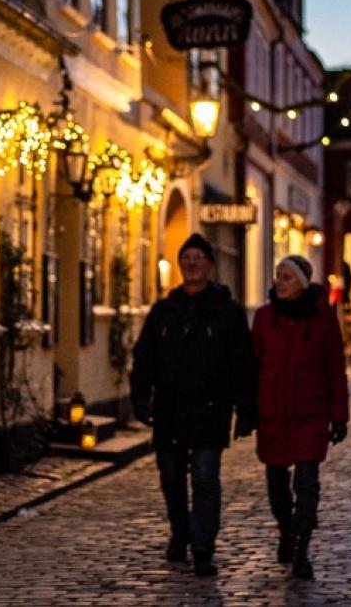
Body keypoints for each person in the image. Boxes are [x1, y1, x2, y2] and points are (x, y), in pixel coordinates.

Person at [129, 233, 257, 577]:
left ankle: (202, 547)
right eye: (187, 258)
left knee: (204, 478)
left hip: (210, 410)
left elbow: (242, 363)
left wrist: (246, 410)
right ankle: (180, 531)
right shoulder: (164, 311)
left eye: (199, 258)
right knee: (171, 478)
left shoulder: (226, 312)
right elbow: (144, 358)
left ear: (210, 265)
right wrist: (140, 396)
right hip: (170, 410)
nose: (192, 263)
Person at [252, 255, 349, 580]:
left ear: (302, 283)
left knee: (307, 483)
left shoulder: (322, 318)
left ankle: (303, 549)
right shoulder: (265, 318)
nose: (279, 282)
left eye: (287, 277)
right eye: (278, 275)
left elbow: (335, 368)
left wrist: (339, 416)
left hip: (310, 412)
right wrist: (249, 409)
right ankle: (286, 530)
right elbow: (253, 366)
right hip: (273, 412)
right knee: (277, 483)